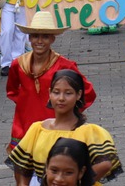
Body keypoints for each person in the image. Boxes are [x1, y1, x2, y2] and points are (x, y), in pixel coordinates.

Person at [9, 69, 122, 184]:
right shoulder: (38, 129)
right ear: (49, 93)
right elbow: (21, 166)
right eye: (56, 92)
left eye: (68, 93)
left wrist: (80, 181)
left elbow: (106, 164)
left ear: (78, 95)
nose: (61, 98)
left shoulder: (90, 131)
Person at [6, 11, 96, 154]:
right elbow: (12, 90)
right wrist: (26, 103)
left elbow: (88, 92)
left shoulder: (64, 66)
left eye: (45, 37)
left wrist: (69, 113)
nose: (39, 41)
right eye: (35, 36)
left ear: (53, 39)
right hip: (24, 126)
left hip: (56, 128)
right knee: (23, 170)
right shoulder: (18, 64)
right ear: (29, 38)